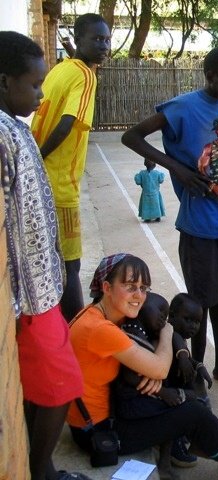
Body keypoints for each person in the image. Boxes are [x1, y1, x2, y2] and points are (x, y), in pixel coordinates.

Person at [67, 254, 218, 474]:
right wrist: (167, 331)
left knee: (175, 384)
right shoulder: (100, 330)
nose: (139, 295)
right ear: (106, 288)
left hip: (106, 414)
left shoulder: (99, 314)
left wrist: (160, 373)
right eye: (130, 286)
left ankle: (191, 443)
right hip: (100, 431)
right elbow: (159, 367)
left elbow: (154, 360)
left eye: (143, 288)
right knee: (192, 409)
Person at [121, 47, 218, 386]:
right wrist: (177, 167)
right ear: (209, 76)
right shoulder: (183, 106)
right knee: (199, 303)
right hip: (200, 223)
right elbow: (131, 136)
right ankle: (194, 368)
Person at [0, 30, 87, 480]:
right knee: (59, 387)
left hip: (42, 287)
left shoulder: (15, 127)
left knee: (42, 386)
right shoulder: (2, 135)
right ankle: (43, 470)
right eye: (34, 85)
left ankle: (39, 463)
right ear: (3, 82)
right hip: (29, 297)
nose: (39, 95)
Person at [30, 13, 111, 322]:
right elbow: (68, 123)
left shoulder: (61, 68)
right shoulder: (86, 76)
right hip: (60, 184)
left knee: (51, 258)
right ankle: (75, 332)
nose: (104, 45)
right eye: (97, 39)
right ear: (79, 40)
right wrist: (41, 155)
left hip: (43, 177)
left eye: (107, 39)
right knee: (70, 264)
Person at [112, 292, 197, 474]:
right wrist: (163, 393)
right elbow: (129, 375)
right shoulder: (132, 333)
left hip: (144, 395)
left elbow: (172, 332)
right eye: (160, 310)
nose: (163, 318)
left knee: (186, 398)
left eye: (165, 315)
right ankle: (167, 461)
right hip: (132, 402)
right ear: (139, 307)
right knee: (180, 407)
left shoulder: (147, 331)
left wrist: (183, 355)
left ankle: (169, 455)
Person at [134, 158, 165, 222]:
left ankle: (147, 217)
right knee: (156, 204)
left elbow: (138, 182)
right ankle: (158, 216)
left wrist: (136, 176)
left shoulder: (142, 173)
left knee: (146, 205)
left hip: (145, 193)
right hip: (155, 193)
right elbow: (161, 180)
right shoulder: (157, 173)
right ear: (154, 165)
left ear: (145, 164)